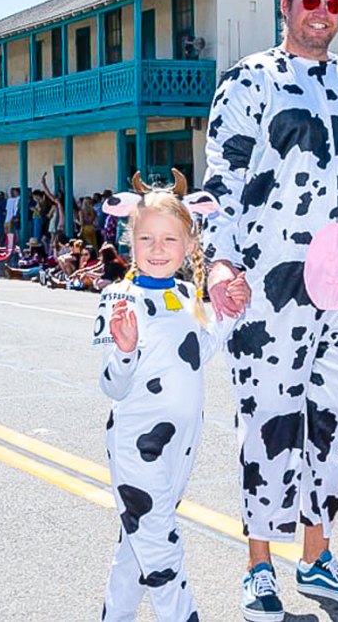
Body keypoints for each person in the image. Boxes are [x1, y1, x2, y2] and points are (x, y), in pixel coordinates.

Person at [201, 0, 338, 617]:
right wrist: (218, 264)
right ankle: (260, 565)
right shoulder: (248, 79)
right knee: (270, 420)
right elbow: (222, 181)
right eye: (309, 0)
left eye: (333, 1)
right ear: (286, 6)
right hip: (271, 284)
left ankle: (317, 557)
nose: (321, 12)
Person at [93, 178, 250, 622]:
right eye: (146, 238)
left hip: (181, 445)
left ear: (188, 243)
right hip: (136, 445)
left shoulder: (185, 296)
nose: (157, 248)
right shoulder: (118, 297)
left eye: (169, 238)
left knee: (136, 547)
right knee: (162, 552)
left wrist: (232, 311)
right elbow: (112, 385)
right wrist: (124, 350)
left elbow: (198, 352)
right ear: (130, 240)